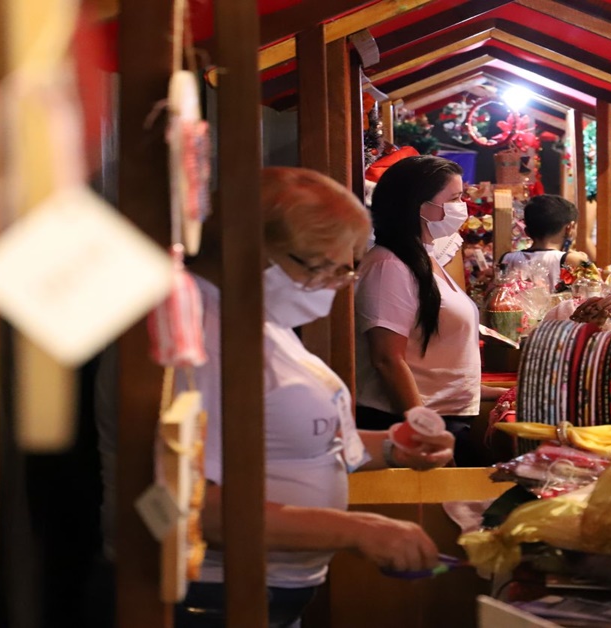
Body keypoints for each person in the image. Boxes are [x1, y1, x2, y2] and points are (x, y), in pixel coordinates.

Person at [165, 168, 455, 627]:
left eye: (344, 270)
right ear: (253, 250)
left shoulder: (260, 319)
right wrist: (357, 529)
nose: (336, 284)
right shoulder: (193, 335)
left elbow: (301, 439)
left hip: (271, 594)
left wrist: (393, 446)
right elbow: (194, 506)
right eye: (321, 267)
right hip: (213, 597)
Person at [354, 156, 507, 464]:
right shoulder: (388, 266)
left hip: (445, 418)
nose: (462, 206)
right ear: (421, 207)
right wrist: (422, 430)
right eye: (454, 198)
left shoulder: (424, 257)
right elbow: (388, 359)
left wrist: (487, 391)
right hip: (407, 423)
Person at [499, 194, 590, 290]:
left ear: (527, 232)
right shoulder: (575, 260)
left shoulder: (507, 258)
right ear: (569, 228)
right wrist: (585, 261)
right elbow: (597, 292)